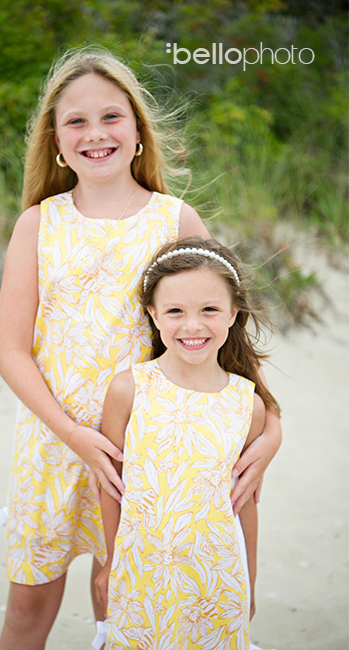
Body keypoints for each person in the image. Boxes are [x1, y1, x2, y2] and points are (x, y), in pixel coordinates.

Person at [0, 47, 282, 648]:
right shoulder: (38, 224)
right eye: (76, 121)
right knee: (27, 609)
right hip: (54, 441)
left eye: (111, 117)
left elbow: (225, 340)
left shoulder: (175, 221)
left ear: (138, 132)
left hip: (145, 450)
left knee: (118, 601)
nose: (95, 134)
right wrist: (74, 434)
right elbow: (11, 351)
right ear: (55, 140)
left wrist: (271, 426)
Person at [95, 237, 280, 648]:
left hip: (218, 579)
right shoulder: (129, 390)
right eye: (175, 311)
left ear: (234, 313)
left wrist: (248, 578)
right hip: (141, 573)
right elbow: (111, 486)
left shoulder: (246, 405)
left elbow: (244, 502)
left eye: (209, 310)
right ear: (152, 314)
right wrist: (110, 562)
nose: (192, 326)